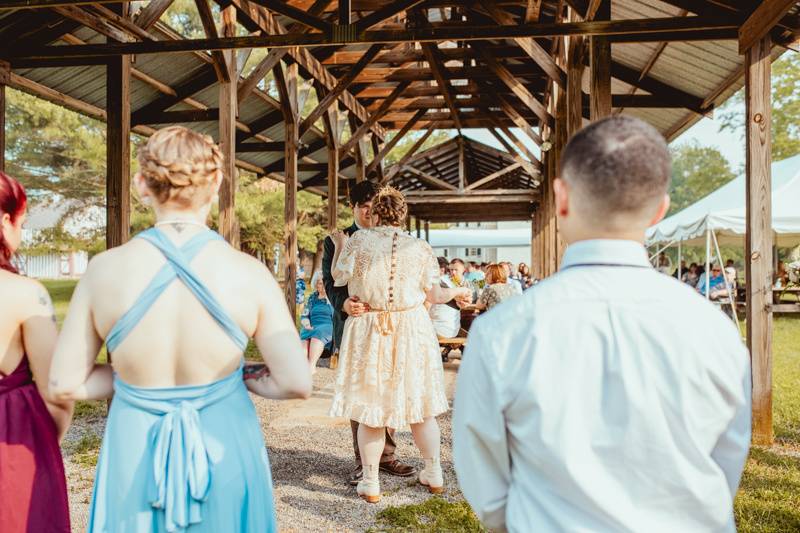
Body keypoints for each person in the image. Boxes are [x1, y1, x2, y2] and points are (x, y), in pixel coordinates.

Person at [454, 116, 750, 532]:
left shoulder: (502, 331)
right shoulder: (715, 330)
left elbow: (484, 477)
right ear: (660, 208)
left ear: (561, 198)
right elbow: (726, 464)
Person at [48, 126, 312, 532]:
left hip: (134, 452)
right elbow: (296, 382)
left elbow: (64, 384)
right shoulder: (248, 273)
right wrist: (235, 376)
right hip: (224, 444)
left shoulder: (105, 271)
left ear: (141, 185)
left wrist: (131, 380)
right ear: (218, 183)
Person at [329, 187, 471, 503]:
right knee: (421, 407)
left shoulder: (358, 241)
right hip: (412, 329)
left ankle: (370, 481)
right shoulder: (419, 247)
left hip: (372, 327)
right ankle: (434, 472)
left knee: (372, 408)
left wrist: (340, 245)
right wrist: (455, 295)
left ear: (376, 212)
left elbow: (339, 277)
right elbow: (433, 294)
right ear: (402, 215)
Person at [321, 180, 416, 485]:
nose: (370, 214)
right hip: (355, 325)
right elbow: (329, 281)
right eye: (364, 208)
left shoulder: (396, 240)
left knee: (388, 390)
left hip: (391, 329)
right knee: (362, 394)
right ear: (354, 208)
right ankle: (364, 462)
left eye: (374, 208)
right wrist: (344, 303)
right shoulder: (338, 239)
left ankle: (387, 456)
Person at [0, 172, 72, 533]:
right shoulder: (25, 294)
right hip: (13, 452)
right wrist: (42, 446)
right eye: (22, 222)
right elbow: (57, 393)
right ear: (5, 220)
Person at [300, 272, 334, 374]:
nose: (322, 285)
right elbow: (305, 314)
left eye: (324, 283)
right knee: (304, 334)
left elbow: (337, 317)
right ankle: (303, 366)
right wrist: (307, 324)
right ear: (316, 284)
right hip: (312, 325)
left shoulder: (332, 298)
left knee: (317, 334)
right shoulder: (312, 298)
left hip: (327, 326)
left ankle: (311, 366)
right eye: (320, 283)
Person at [428, 256, 462, 339]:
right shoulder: (452, 282)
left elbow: (426, 306)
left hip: (438, 330)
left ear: (442, 269)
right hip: (453, 330)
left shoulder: (435, 282)